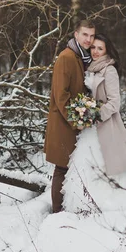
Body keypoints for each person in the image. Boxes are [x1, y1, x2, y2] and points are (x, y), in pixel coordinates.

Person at [62, 33, 126, 213]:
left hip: (105, 125)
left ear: (107, 51)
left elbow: (115, 103)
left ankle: (105, 207)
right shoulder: (90, 68)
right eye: (93, 47)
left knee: (104, 165)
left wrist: (94, 114)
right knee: (84, 164)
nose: (96, 51)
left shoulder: (109, 70)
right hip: (88, 128)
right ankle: (82, 205)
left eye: (100, 48)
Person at [44, 19, 96, 213]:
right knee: (62, 168)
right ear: (76, 34)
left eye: (91, 36)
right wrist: (77, 120)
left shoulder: (81, 57)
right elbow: (61, 95)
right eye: (85, 35)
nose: (88, 39)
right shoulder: (66, 57)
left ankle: (69, 208)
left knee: (71, 168)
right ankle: (57, 212)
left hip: (74, 121)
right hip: (64, 123)